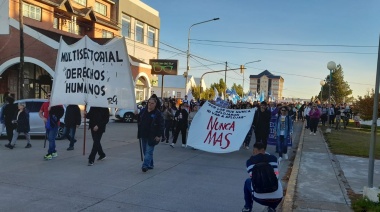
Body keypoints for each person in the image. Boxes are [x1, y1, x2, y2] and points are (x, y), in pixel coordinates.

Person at [242, 142, 283, 212]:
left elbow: (253, 179)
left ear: (255, 151)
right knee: (277, 180)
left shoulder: (249, 162)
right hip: (277, 198)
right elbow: (276, 176)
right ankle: (272, 208)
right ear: (264, 150)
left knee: (248, 181)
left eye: (254, 151)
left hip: (259, 198)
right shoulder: (273, 158)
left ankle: (247, 208)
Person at [137, 97, 164, 172]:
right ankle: (150, 164)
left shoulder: (157, 113)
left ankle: (145, 165)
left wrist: (159, 135)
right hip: (143, 134)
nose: (150, 105)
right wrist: (136, 115)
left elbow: (161, 125)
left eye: (152, 103)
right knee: (146, 151)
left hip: (152, 136)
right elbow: (139, 120)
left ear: (155, 104)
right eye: (149, 103)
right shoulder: (143, 111)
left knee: (149, 151)